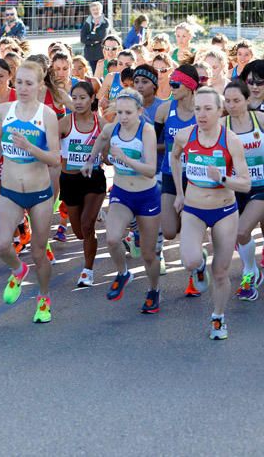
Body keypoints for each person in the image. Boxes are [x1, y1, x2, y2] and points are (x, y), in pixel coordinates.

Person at [171, 88, 250, 339]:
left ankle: (218, 317)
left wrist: (224, 177)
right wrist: (179, 193)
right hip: (194, 208)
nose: (201, 114)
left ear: (220, 111)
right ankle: (199, 265)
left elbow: (246, 183)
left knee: (221, 273)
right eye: (197, 109)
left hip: (225, 211)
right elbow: (174, 158)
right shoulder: (184, 136)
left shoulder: (231, 141)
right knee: (190, 261)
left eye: (208, 109)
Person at [0, 61, 61, 323]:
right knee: (0, 244)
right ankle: (18, 270)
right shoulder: (4, 110)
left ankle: (43, 298)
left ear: (40, 86)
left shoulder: (47, 116)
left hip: (40, 193)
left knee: (39, 252)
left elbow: (54, 159)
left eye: (29, 83)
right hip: (10, 190)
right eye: (19, 82)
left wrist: (31, 148)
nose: (22, 87)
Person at [84, 89, 162, 312]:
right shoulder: (112, 128)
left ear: (139, 111)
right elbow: (101, 138)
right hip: (122, 193)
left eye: (128, 112)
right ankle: (123, 272)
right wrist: (91, 160)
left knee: (148, 254)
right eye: (119, 112)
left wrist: (125, 158)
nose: (123, 117)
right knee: (112, 239)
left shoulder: (146, 131)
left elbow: (150, 170)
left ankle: (154, 289)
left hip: (147, 196)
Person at [155, 65, 199, 296]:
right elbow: (154, 142)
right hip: (170, 173)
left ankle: (195, 273)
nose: (170, 87)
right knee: (170, 231)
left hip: (196, 178)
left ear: (190, 87)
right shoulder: (164, 110)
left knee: (191, 232)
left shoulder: (203, 111)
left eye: (175, 84)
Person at [59, 81, 106, 287]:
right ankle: (95, 216)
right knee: (79, 232)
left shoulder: (101, 124)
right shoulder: (65, 123)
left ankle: (87, 270)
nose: (78, 102)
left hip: (93, 180)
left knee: (87, 226)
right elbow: (49, 146)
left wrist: (111, 156)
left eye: (82, 98)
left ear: (92, 99)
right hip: (69, 181)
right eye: (74, 98)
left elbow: (109, 156)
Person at [223, 80, 264, 300]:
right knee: (235, 236)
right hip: (234, 189)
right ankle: (252, 268)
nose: (231, 105)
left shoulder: (260, 120)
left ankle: (249, 272)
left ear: (248, 100)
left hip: (261, 187)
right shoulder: (221, 125)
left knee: (241, 231)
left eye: (236, 100)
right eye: (227, 101)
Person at [80, 1, 112, 73]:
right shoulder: (87, 22)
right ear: (91, 11)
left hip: (102, 53)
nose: (95, 11)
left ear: (101, 10)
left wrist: (89, 36)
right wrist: (94, 40)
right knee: (95, 74)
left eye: (97, 9)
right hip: (90, 54)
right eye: (93, 10)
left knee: (104, 73)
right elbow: (82, 39)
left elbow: (101, 37)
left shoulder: (105, 22)